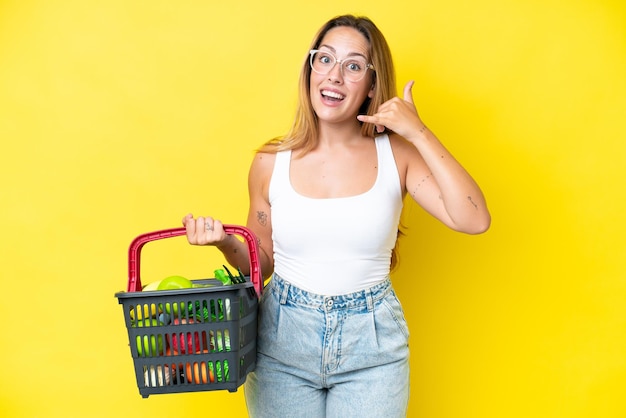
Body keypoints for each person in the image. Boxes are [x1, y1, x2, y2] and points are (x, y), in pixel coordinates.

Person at [182, 14, 490, 418]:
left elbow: (473, 219)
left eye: (353, 66)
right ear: (310, 69)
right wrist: (225, 243)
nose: (335, 76)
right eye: (324, 59)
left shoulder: (398, 155)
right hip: (281, 342)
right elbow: (263, 261)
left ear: (372, 86)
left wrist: (418, 132)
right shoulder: (270, 161)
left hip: (373, 348)